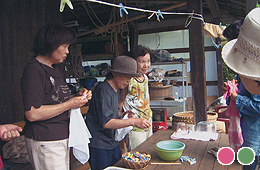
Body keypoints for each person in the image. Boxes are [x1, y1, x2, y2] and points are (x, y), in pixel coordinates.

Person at [20, 22, 92, 170]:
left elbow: (56, 99)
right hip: (45, 140)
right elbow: (32, 113)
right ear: (50, 44)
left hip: (60, 137)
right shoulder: (34, 70)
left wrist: (78, 97)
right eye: (64, 46)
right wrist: (69, 104)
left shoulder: (55, 70)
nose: (67, 51)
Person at [85, 55, 151, 170]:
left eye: (130, 78)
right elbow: (107, 123)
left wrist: (123, 116)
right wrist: (133, 121)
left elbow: (109, 115)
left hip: (111, 142)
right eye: (126, 77)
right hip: (99, 144)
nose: (128, 81)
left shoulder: (116, 89)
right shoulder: (104, 90)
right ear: (115, 74)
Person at [222, 8, 260, 170]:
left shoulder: (252, 77)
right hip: (247, 133)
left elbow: (257, 106)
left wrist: (237, 98)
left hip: (253, 135)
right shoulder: (249, 77)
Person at [119, 45, 153, 151]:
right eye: (142, 61)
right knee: (137, 155)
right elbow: (121, 99)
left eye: (148, 61)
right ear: (134, 62)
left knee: (148, 153)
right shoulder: (129, 79)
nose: (146, 65)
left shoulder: (145, 78)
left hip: (147, 121)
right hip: (134, 125)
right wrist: (119, 116)